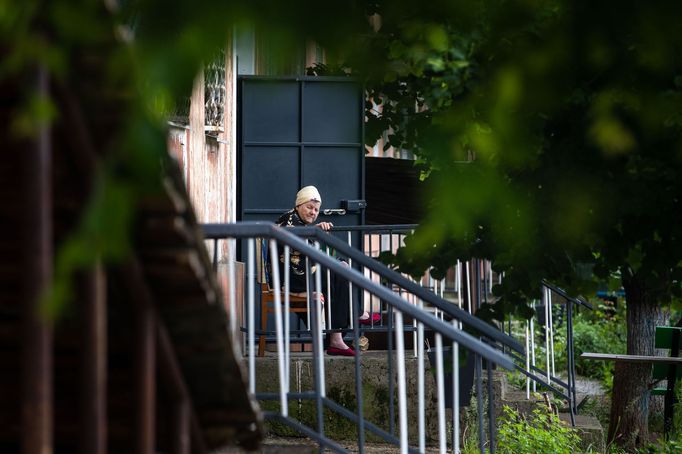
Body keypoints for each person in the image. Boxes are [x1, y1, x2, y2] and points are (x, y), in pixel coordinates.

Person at [275, 186, 378, 356]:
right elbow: (294, 241)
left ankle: (340, 335)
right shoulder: (289, 219)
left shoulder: (302, 223)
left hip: (302, 272)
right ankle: (352, 319)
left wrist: (318, 232)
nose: (313, 212)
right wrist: (315, 231)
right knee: (337, 272)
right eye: (309, 207)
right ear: (299, 205)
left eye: (316, 210)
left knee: (341, 268)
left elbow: (312, 253)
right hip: (290, 277)